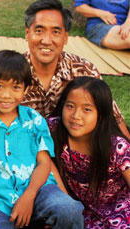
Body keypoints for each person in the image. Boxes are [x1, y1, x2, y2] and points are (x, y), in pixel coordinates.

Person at [0, 50, 84, 229]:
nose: (6, 95)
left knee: (68, 210)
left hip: (40, 190)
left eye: (15, 87)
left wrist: (29, 195)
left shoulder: (34, 119)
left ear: (26, 89)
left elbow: (44, 163)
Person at [22, 0, 130, 139]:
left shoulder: (84, 70)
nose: (47, 40)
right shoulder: (11, 72)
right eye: (39, 31)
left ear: (65, 37)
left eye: (55, 32)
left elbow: (111, 115)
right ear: (27, 33)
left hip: (74, 153)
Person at [48, 76, 130, 228]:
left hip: (123, 210)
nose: (76, 116)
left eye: (87, 109)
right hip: (86, 212)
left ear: (101, 114)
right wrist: (66, 203)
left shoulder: (117, 147)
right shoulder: (52, 130)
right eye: (70, 106)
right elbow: (46, 163)